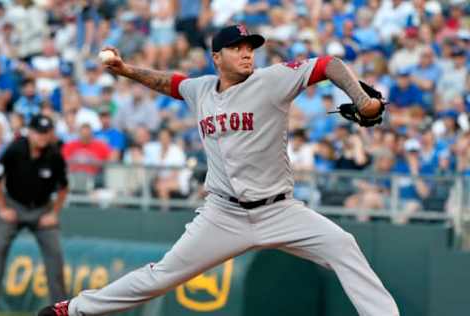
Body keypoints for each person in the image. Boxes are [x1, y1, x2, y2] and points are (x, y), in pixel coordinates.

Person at [39, 24, 399, 316]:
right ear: (216, 57)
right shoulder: (201, 90)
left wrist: (363, 101)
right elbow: (168, 82)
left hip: (279, 209)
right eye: (237, 47)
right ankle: (73, 310)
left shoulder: (272, 79)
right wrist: (126, 69)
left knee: (343, 246)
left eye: (250, 47)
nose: (246, 53)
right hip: (222, 214)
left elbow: (329, 64)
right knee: (160, 276)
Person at [0, 114, 68, 308]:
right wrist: (2, 208)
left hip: (42, 210)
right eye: (39, 132)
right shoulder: (15, 148)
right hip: (14, 206)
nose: (42, 136)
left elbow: (64, 187)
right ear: (31, 132)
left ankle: (60, 309)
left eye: (46, 133)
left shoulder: (55, 155)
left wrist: (54, 213)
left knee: (55, 254)